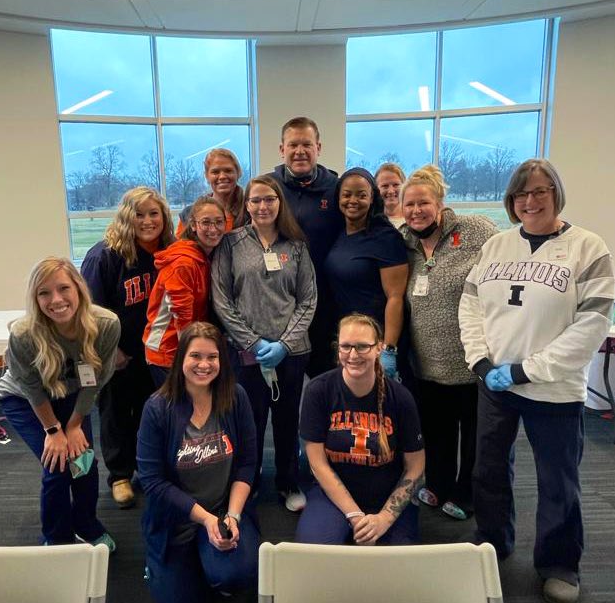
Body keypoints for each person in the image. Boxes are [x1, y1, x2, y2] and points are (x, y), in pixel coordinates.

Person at [458, 158, 615, 603]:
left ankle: (560, 564)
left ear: (556, 193)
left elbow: (592, 323)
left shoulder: (588, 248)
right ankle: (492, 540)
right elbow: (470, 308)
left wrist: (530, 370)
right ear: (511, 201)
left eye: (540, 191)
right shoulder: (497, 246)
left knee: (557, 480)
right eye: (521, 194)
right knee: (488, 469)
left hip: (553, 388)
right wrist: (482, 363)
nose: (530, 201)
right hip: (495, 384)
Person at [0, 257, 119, 551]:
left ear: (78, 288)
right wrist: (54, 431)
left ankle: (86, 524)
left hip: (74, 397)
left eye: (64, 288)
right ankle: (58, 538)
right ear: (35, 298)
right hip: (25, 400)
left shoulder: (105, 324)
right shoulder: (23, 334)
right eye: (44, 293)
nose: (56, 300)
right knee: (58, 464)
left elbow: (95, 379)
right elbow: (31, 388)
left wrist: (75, 424)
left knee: (84, 463)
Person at [211, 174, 317, 511]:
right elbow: (222, 300)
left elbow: (308, 300)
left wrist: (284, 344)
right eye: (255, 200)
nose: (262, 206)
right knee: (248, 421)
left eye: (269, 199)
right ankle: (248, 482)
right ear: (247, 205)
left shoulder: (296, 246)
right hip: (246, 353)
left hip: (292, 353)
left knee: (287, 421)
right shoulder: (230, 244)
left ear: (279, 203)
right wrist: (253, 343)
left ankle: (287, 483)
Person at [399, 165, 497, 521]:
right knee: (436, 432)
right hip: (425, 361)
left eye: (423, 203)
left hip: (471, 359)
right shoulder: (405, 240)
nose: (415, 211)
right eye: (408, 204)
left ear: (439, 202)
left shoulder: (476, 231)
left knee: (473, 436)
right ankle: (438, 484)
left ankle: (466, 493)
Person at [137, 322, 258, 602]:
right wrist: (205, 520)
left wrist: (232, 516)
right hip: (176, 519)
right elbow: (152, 482)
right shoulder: (157, 408)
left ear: (221, 361)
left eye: (212, 357)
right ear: (181, 359)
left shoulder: (235, 397)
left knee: (236, 576)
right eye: (195, 356)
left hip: (224, 509)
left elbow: (248, 464)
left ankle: (209, 560)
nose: (204, 365)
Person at [81, 186, 174, 509]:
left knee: (154, 412)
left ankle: (150, 468)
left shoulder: (168, 252)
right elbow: (90, 311)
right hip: (119, 354)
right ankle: (120, 475)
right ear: (125, 217)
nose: (148, 221)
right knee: (116, 412)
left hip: (158, 352)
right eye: (139, 214)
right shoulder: (104, 256)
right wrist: (111, 350)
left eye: (154, 213)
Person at [296, 313, 424, 545]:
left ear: (379, 349)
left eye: (363, 346)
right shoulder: (318, 391)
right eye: (346, 346)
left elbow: (416, 468)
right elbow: (317, 463)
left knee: (398, 565)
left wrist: (384, 518)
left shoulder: (401, 398)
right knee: (315, 552)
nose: (353, 355)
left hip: (386, 495)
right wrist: (354, 515)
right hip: (332, 494)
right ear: (338, 349)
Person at [268, 116, 342, 376]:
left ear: (318, 148)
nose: (300, 151)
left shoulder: (336, 189)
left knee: (326, 379)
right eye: (293, 145)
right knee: (284, 390)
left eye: (307, 144)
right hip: (280, 304)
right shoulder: (268, 188)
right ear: (282, 149)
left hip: (326, 305)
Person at [324, 167, 409, 380]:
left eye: (362, 195)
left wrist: (388, 349)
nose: (353, 200)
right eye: (347, 194)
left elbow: (395, 297)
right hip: (347, 336)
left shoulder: (386, 237)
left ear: (372, 198)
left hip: (375, 339)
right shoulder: (338, 233)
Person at [143, 196, 227, 386]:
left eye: (218, 222)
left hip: (189, 349)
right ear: (193, 225)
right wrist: (189, 359)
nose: (213, 229)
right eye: (205, 222)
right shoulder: (183, 262)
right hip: (169, 352)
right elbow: (182, 316)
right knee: (178, 412)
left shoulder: (203, 257)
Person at [176, 148, 246, 237]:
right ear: (206, 176)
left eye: (228, 170)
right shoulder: (189, 214)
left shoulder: (251, 210)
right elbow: (179, 247)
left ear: (238, 173)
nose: (222, 176)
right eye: (215, 172)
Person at [375, 162, 406, 228]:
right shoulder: (371, 222)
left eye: (396, 185)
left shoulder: (414, 219)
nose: (391, 191)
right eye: (385, 186)